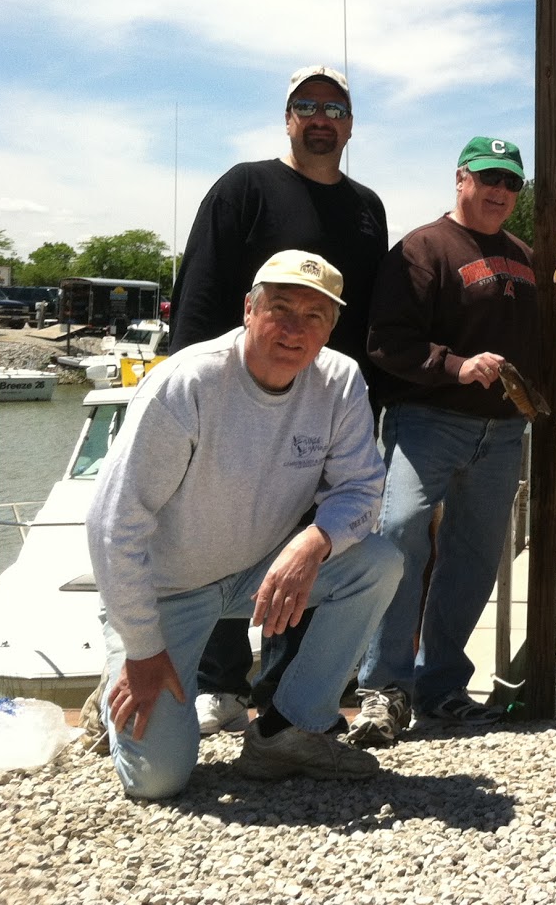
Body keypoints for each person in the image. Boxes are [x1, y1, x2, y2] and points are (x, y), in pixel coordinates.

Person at [86, 251, 401, 799]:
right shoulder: (186, 383)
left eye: (314, 316)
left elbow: (361, 488)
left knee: (378, 563)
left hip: (253, 573)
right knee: (158, 782)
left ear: (329, 329)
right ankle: (118, 675)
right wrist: (142, 648)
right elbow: (113, 523)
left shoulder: (341, 380)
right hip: (166, 592)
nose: (294, 329)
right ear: (248, 310)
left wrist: (314, 541)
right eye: (280, 309)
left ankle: (287, 729)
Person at [169, 64, 388, 736]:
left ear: (350, 124)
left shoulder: (366, 207)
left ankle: (288, 703)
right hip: (239, 396)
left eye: (335, 106)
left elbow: (372, 313)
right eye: (307, 104)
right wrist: (199, 392)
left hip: (329, 405)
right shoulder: (243, 187)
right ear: (287, 117)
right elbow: (201, 295)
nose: (321, 116)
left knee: (318, 541)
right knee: (225, 525)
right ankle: (219, 683)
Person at [346, 136, 540, 748]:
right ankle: (383, 690)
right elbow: (386, 340)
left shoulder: (525, 255)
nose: (499, 192)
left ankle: (443, 687)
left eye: (510, 183)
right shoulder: (422, 247)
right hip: (427, 421)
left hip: (504, 429)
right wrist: (454, 365)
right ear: (460, 178)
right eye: (488, 179)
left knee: (477, 556)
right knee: (399, 535)